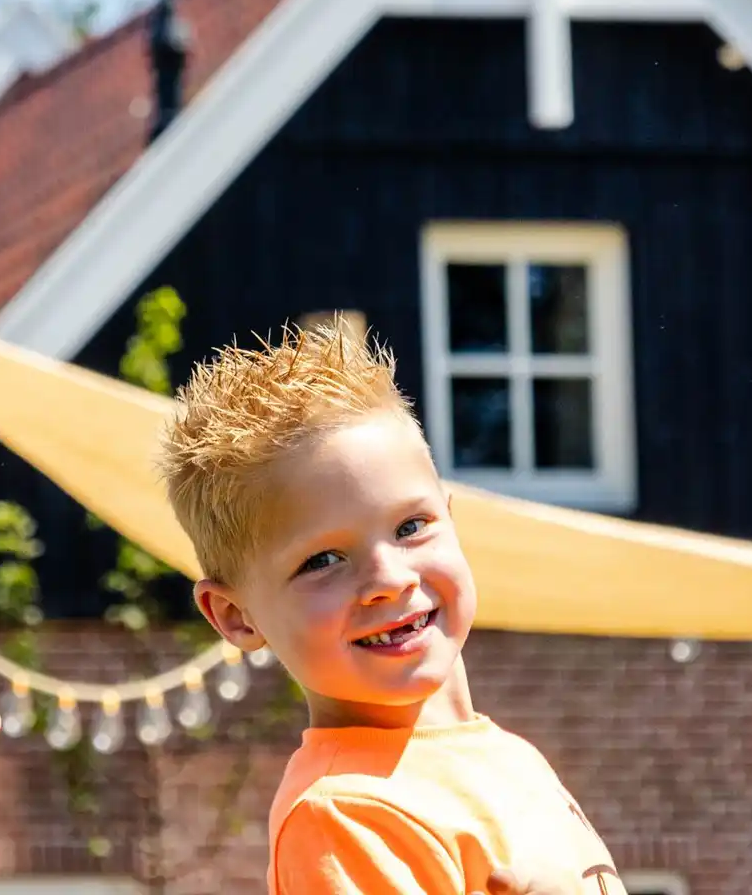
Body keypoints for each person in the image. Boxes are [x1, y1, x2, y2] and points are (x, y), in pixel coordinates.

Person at [159, 326, 625, 894]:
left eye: (410, 526)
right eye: (322, 560)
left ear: (452, 520)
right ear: (235, 615)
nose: (389, 579)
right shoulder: (343, 816)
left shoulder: (511, 757)